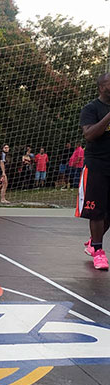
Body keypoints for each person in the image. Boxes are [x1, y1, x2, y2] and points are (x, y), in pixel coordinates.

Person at [78, 73, 110, 270]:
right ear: (101, 87)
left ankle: (92, 242)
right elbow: (89, 134)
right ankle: (98, 251)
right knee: (96, 212)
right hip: (97, 165)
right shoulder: (91, 109)